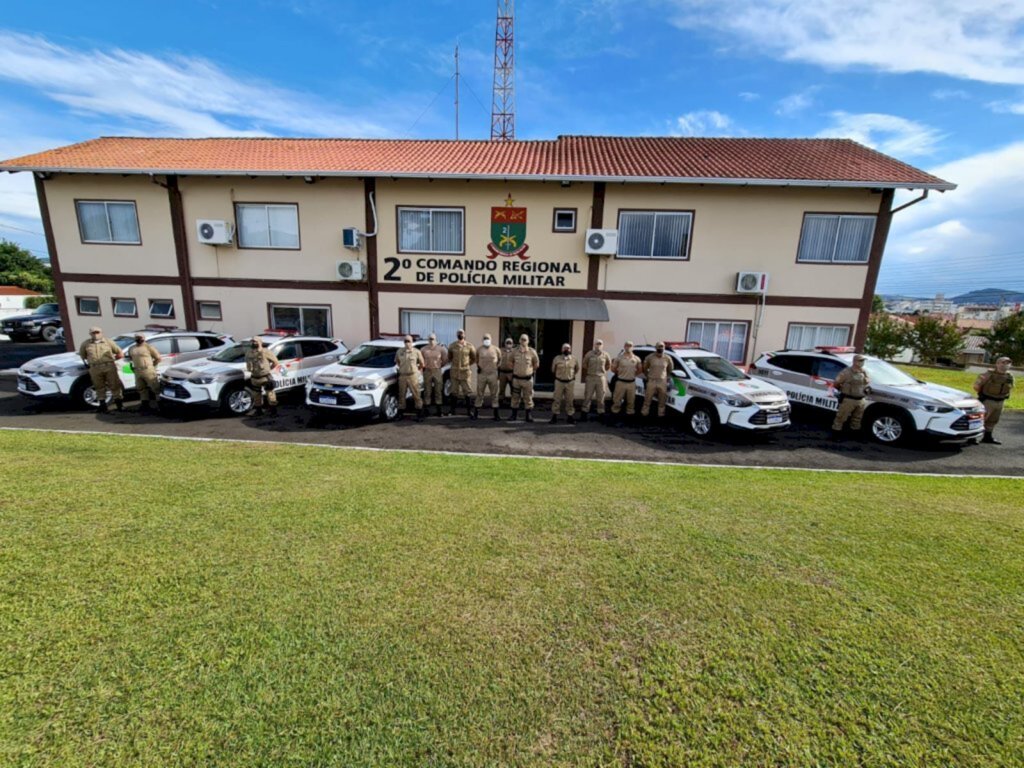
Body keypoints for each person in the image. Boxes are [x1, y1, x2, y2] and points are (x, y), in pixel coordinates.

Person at [78, 326, 124, 413]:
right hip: (95, 368)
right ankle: (102, 406)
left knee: (114, 385)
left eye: (97, 332)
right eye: (93, 333)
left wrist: (112, 360)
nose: (95, 335)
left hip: (109, 366)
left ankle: (119, 405)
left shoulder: (108, 342)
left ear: (101, 333)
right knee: (99, 386)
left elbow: (119, 353)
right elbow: (83, 356)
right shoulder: (86, 344)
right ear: (90, 334)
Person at [974, 356, 1015, 444]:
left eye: (1007, 363)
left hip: (1000, 401)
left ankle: (987, 437)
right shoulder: (988, 374)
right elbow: (976, 386)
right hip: (988, 401)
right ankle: (973, 437)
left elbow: (1010, 388)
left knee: (993, 420)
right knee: (982, 419)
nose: (1005, 365)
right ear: (997, 364)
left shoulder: (1009, 376)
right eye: (1002, 363)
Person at [831, 353, 871, 439]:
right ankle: (835, 434)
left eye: (863, 361)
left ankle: (854, 435)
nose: (862, 362)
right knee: (841, 417)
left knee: (857, 418)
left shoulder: (864, 371)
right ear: (855, 361)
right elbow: (836, 383)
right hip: (849, 399)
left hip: (860, 399)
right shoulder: (846, 372)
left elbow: (867, 382)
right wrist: (841, 391)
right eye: (860, 360)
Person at [245, 337, 280, 417]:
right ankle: (259, 411)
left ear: (260, 342)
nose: (253, 343)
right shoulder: (249, 353)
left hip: (265, 377)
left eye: (255, 341)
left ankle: (273, 411)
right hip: (254, 377)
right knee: (256, 395)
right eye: (252, 341)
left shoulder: (265, 352)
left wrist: (269, 370)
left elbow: (275, 362)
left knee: (270, 394)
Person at [127, 332, 162, 413]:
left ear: (143, 338)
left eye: (140, 337)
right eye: (137, 337)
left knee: (155, 388)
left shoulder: (149, 347)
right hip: (137, 370)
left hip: (148, 370)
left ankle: (160, 406)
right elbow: (131, 358)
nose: (138, 339)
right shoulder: (132, 348)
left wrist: (152, 366)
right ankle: (145, 406)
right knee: (141, 388)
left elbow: (158, 358)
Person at [510, 333, 540, 422]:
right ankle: (513, 415)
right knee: (515, 397)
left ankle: (528, 416)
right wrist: (516, 370)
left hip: (527, 380)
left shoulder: (532, 352)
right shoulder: (514, 351)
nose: (523, 341)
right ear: (519, 340)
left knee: (528, 397)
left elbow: (536, 364)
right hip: (516, 379)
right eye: (521, 339)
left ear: (528, 341)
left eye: (525, 340)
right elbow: (510, 362)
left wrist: (530, 371)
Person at [579, 339, 611, 421]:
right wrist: (591, 371)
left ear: (602, 345)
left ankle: (601, 414)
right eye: (597, 344)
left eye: (600, 344)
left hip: (601, 378)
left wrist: (602, 372)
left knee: (601, 396)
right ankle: (584, 414)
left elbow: (608, 365)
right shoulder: (589, 354)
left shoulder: (606, 355)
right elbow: (584, 364)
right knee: (588, 396)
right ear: (594, 345)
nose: (598, 345)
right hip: (591, 377)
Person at [395, 335, 425, 421]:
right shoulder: (399, 351)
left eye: (409, 341)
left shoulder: (416, 352)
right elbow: (397, 362)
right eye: (405, 341)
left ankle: (420, 414)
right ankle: (401, 414)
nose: (407, 343)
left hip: (413, 376)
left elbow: (422, 364)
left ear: (412, 342)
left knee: (416, 395)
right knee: (401, 395)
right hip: (403, 376)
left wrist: (416, 371)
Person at [447, 329, 476, 416]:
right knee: (454, 392)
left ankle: (469, 411)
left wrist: (467, 365)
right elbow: (450, 357)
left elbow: (473, 358)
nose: (460, 334)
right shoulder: (452, 346)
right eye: (459, 333)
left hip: (465, 372)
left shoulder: (470, 346)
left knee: (467, 392)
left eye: (462, 333)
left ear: (464, 335)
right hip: (455, 372)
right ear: (456, 335)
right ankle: (452, 411)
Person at [610, 341, 642, 421]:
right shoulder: (619, 358)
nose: (628, 347)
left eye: (630, 346)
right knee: (617, 401)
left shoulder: (637, 359)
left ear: (633, 347)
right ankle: (614, 418)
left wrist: (631, 375)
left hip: (631, 383)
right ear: (624, 347)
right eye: (627, 346)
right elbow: (613, 369)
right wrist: (622, 374)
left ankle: (629, 419)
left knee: (631, 402)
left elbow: (640, 370)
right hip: (620, 382)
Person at [474, 333, 502, 420]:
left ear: (491, 339)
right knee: (479, 393)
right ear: (483, 340)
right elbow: (476, 359)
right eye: (485, 338)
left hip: (493, 374)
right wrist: (479, 367)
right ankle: (476, 414)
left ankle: (496, 414)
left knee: (494, 394)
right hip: (482, 374)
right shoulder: (479, 349)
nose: (487, 340)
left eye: (488, 338)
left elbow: (500, 359)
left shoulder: (496, 349)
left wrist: (496, 368)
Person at [641, 342, 672, 418]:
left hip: (662, 381)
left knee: (662, 400)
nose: (660, 350)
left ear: (664, 348)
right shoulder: (650, 357)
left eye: (662, 349)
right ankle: (644, 414)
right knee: (647, 398)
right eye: (659, 349)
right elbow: (645, 368)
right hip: (652, 380)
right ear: (656, 348)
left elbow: (670, 369)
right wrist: (647, 376)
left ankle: (661, 415)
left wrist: (665, 377)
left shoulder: (668, 358)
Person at [550, 343, 579, 423]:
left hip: (570, 382)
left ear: (570, 349)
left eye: (568, 348)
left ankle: (570, 417)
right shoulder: (557, 359)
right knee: (557, 399)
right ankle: (554, 417)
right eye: (564, 348)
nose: (566, 349)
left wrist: (570, 376)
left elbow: (576, 369)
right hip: (559, 382)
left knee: (570, 400)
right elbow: (553, 370)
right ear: (561, 349)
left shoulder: (574, 359)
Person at [420, 333, 448, 417]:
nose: (431, 340)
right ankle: (427, 410)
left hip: (437, 370)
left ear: (436, 339)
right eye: (430, 339)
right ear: (428, 340)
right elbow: (421, 360)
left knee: (438, 390)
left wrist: (440, 366)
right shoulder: (423, 349)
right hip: (427, 371)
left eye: (433, 339)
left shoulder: (441, 349)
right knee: (427, 391)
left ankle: (439, 410)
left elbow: (445, 360)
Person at [498, 337, 516, 408]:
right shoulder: (500, 351)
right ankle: (501, 403)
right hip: (502, 373)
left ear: (512, 344)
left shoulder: (515, 352)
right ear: (505, 344)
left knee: (513, 389)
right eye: (507, 343)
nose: (508, 344)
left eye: (510, 343)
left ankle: (513, 404)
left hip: (511, 373)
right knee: (501, 389)